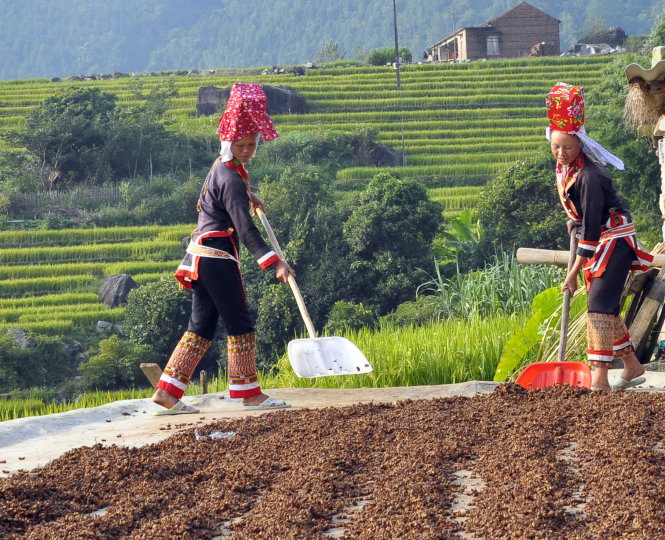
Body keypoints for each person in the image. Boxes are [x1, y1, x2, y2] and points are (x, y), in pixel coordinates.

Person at [151, 83, 295, 415]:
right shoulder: (231, 179)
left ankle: (167, 393)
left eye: (252, 145)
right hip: (217, 258)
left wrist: (248, 194)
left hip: (199, 256)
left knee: (200, 325)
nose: (246, 150)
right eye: (241, 145)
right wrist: (275, 263)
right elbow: (244, 228)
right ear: (229, 143)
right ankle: (249, 394)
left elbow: (220, 194)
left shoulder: (224, 168)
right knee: (240, 324)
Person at [546, 82, 654, 391]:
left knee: (598, 309)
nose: (561, 153)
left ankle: (600, 380)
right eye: (556, 146)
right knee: (606, 307)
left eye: (567, 147)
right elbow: (582, 216)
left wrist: (573, 273)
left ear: (580, 144)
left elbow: (593, 229)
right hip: (597, 238)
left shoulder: (591, 177)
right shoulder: (565, 169)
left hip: (613, 242)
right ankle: (632, 367)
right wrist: (573, 222)